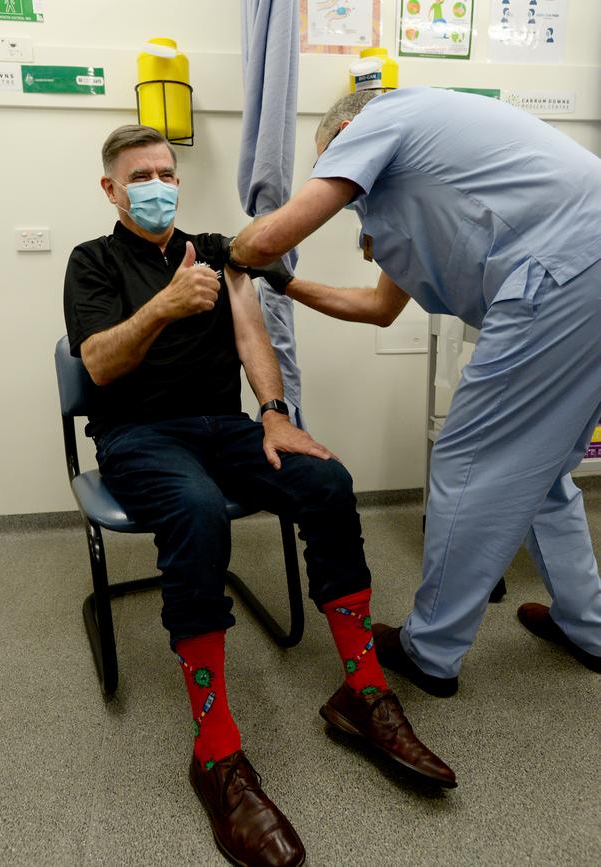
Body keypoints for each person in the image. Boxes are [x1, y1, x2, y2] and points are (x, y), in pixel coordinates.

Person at [64, 124, 456, 867]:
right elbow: (99, 366)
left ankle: (362, 691)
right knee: (198, 510)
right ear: (112, 190)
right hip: (139, 435)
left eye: (167, 173)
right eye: (139, 175)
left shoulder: (216, 250)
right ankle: (215, 752)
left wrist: (275, 412)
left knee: (327, 480)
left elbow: (252, 338)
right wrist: (164, 306)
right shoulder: (92, 263)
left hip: (226, 427)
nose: (158, 185)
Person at [227, 88, 601, 700]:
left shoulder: (382, 118)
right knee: (544, 473)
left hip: (563, 270)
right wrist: (286, 285)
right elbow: (377, 308)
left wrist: (236, 253)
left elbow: (269, 237)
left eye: (335, 162)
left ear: (345, 132)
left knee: (465, 462)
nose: (352, 195)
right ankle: (587, 625)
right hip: (585, 272)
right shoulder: (430, 171)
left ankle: (430, 650)